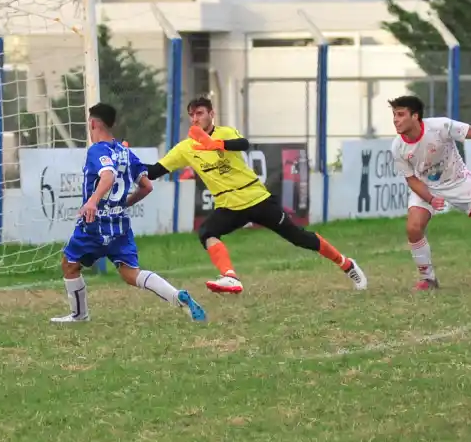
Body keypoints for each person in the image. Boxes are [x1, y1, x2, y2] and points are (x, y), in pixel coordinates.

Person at [144, 97, 366, 295]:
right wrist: (128, 163)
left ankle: (346, 264)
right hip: (229, 206)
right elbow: (154, 171)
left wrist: (213, 144)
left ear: (211, 114)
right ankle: (230, 276)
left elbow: (244, 144)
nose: (195, 118)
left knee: (298, 237)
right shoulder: (185, 148)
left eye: (200, 113)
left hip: (256, 198)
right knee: (207, 232)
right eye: (191, 115)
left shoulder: (225, 132)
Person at [51, 102, 208, 324]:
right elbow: (147, 186)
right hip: (120, 225)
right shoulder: (125, 152)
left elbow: (108, 176)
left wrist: (92, 202)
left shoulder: (97, 150)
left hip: (94, 224)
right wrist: (124, 204)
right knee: (130, 273)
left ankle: (79, 315)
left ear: (93, 123)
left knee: (69, 264)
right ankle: (177, 297)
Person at [388, 94, 471, 290]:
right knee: (413, 228)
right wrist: (430, 198)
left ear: (415, 116)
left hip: (459, 182)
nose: (395, 119)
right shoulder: (397, 146)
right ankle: (428, 279)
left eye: (401, 114)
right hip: (428, 188)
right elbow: (411, 179)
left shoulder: (440, 126)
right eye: (394, 115)